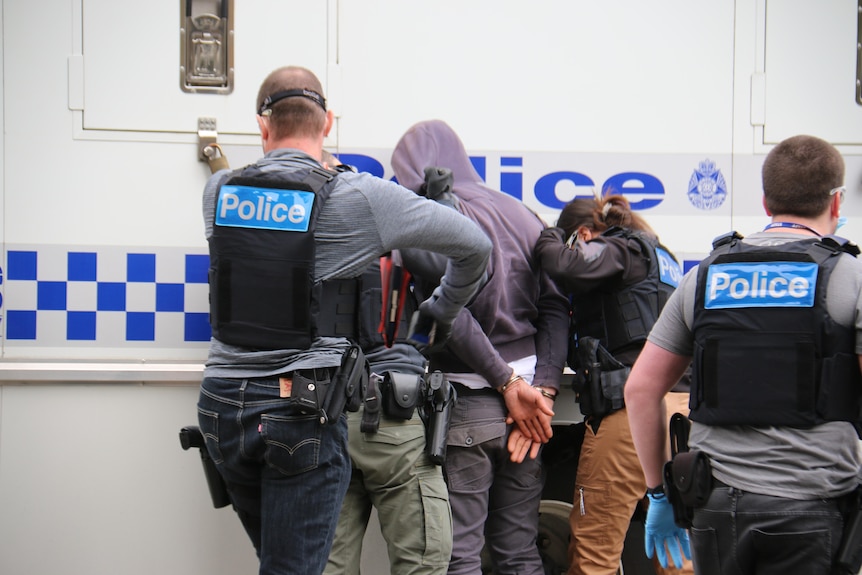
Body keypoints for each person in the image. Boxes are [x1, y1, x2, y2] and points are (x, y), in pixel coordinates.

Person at [196, 67, 491, 575]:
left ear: (263, 128)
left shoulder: (219, 191)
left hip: (220, 405)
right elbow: (475, 247)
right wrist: (438, 310)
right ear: (327, 123)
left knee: (284, 562)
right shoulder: (361, 197)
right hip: (298, 407)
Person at [625, 134, 862, 575]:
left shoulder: (706, 276)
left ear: (766, 201)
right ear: (836, 203)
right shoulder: (850, 277)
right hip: (812, 507)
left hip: (715, 508)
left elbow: (640, 390)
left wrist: (657, 493)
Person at [391, 119, 570, 575]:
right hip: (530, 412)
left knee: (461, 555)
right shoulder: (523, 213)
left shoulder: (437, 219)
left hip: (471, 404)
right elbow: (555, 308)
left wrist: (505, 382)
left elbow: (450, 314)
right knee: (519, 552)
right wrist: (542, 389)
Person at [533, 194, 693, 575]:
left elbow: (562, 262)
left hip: (630, 416)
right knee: (679, 556)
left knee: (594, 556)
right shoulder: (661, 258)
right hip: (683, 418)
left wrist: (547, 236)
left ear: (585, 233)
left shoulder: (617, 249)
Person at [322, 154, 454, 575]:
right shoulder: (387, 222)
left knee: (326, 565)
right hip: (392, 418)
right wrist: (440, 202)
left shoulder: (298, 232)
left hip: (318, 414)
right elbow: (460, 261)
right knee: (423, 563)